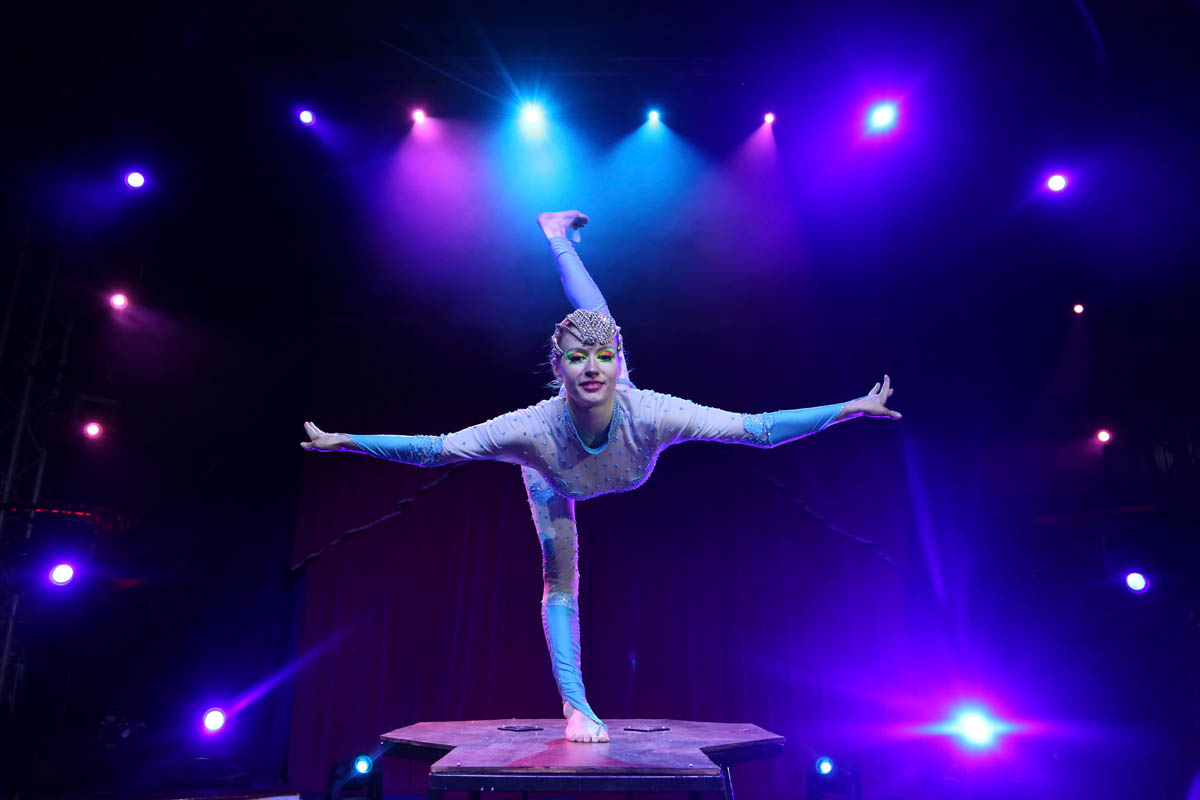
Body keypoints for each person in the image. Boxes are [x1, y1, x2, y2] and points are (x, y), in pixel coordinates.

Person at [301, 211, 902, 743]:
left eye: (605, 356)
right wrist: (347, 440)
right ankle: (576, 704)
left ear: (619, 362)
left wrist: (849, 407)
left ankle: (558, 238)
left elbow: (758, 429)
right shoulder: (529, 430)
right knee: (559, 584)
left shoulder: (654, 411)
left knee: (599, 317)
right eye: (576, 358)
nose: (592, 368)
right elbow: (436, 451)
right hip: (553, 477)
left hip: (621, 450)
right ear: (555, 368)